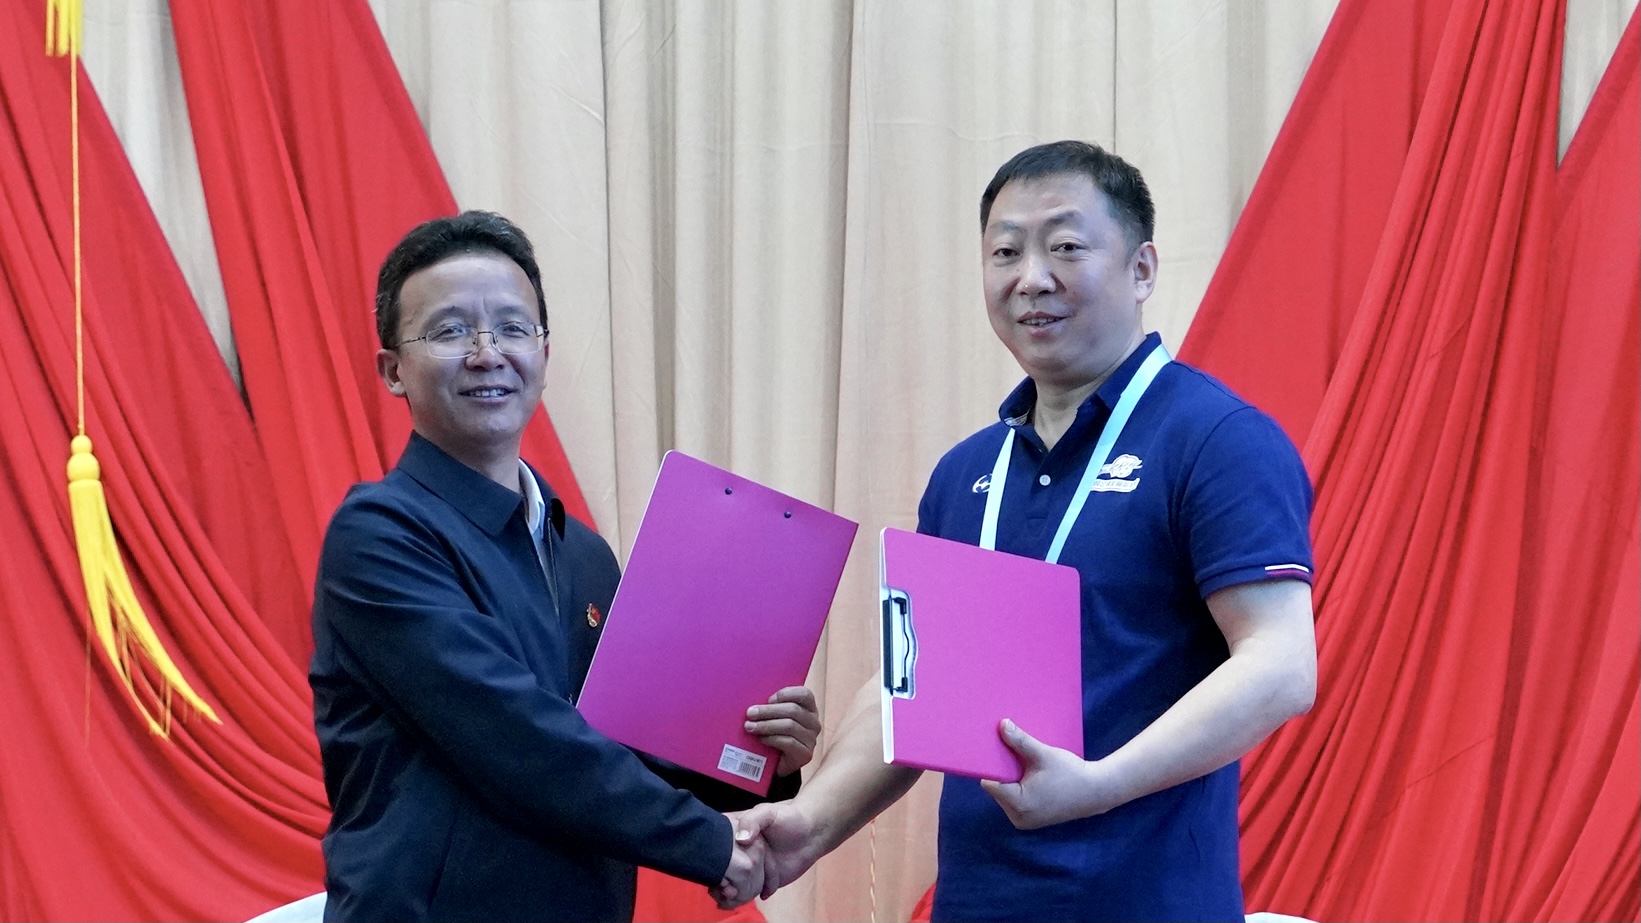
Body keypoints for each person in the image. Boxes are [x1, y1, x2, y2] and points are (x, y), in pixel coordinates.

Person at [728, 141, 1318, 922]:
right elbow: (911, 685)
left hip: (1146, 903)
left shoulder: (1216, 439)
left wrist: (1099, 783)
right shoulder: (965, 473)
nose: (1031, 277)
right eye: (1005, 251)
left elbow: (1280, 664)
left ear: (1142, 269)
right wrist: (810, 823)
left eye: (1065, 246)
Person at [310, 211, 820, 922]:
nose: (487, 353)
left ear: (544, 353)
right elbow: (514, 735)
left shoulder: (581, 552)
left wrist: (759, 759)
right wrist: (708, 845)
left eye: (512, 327)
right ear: (393, 370)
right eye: (450, 331)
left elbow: (628, 744)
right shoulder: (379, 535)